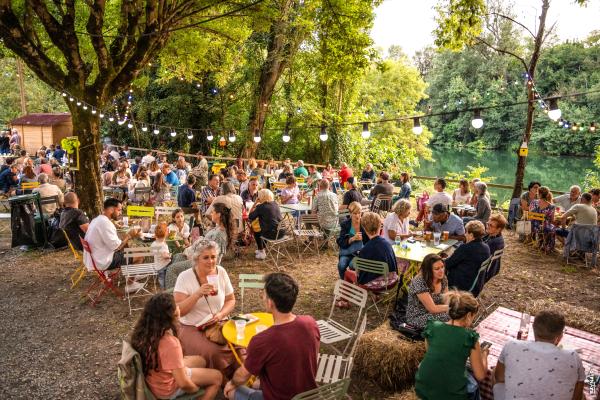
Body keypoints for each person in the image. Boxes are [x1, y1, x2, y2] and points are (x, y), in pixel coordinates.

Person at [224, 273, 320, 400]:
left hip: (280, 397)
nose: (262, 297)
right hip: (308, 395)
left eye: (263, 294)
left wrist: (231, 383)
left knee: (231, 391)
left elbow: (242, 376)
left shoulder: (262, 340)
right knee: (256, 383)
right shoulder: (310, 323)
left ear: (270, 303)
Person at [131, 293, 222, 400]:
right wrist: (195, 389)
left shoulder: (144, 332)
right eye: (176, 306)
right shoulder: (170, 343)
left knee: (201, 360)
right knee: (217, 377)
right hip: (166, 390)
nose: (178, 307)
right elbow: (183, 383)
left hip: (154, 378)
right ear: (171, 315)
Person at [173, 240, 236, 373]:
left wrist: (221, 314)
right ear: (196, 259)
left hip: (218, 322)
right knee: (214, 351)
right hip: (192, 327)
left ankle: (239, 376)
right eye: (206, 257)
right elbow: (178, 311)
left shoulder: (221, 272)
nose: (211, 261)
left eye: (213, 257)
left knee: (238, 343)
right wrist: (197, 294)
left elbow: (231, 300)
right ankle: (221, 379)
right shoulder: (184, 277)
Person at [493, 310, 585, 400]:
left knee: (494, 375)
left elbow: (499, 377)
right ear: (560, 337)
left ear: (533, 329)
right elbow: (577, 396)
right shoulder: (573, 356)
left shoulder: (511, 345)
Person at [415, 291, 489, 400]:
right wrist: (484, 356)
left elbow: (431, 352)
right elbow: (481, 375)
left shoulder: (432, 327)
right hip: (451, 395)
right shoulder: (470, 337)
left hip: (422, 388)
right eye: (473, 317)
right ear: (469, 315)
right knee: (474, 386)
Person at [83, 198, 142, 292]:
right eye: (119, 210)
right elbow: (117, 247)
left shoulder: (97, 219)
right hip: (103, 261)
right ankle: (130, 285)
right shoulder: (105, 223)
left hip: (94, 257)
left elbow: (116, 243)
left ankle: (132, 273)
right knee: (140, 255)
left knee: (129, 249)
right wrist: (129, 235)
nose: (120, 213)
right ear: (111, 209)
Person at [346, 212, 398, 287]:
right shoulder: (388, 244)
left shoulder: (365, 250)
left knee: (347, 273)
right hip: (391, 282)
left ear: (364, 228)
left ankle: (345, 298)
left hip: (373, 285)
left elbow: (360, 275)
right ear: (380, 226)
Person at [445, 220, 490, 296]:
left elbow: (447, 264)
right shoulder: (486, 247)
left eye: (466, 232)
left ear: (471, 235)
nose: (465, 234)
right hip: (476, 284)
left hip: (461, 285)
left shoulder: (465, 248)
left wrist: (443, 259)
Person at [406, 254, 450, 329]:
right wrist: (451, 308)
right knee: (451, 316)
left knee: (456, 314)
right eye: (437, 269)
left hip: (438, 310)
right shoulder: (419, 282)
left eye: (442, 267)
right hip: (418, 316)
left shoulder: (443, 278)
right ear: (428, 270)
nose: (441, 271)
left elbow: (447, 299)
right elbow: (432, 309)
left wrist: (453, 308)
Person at [336, 202, 369, 281]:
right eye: (355, 213)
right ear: (350, 213)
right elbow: (340, 241)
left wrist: (363, 239)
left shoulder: (365, 224)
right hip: (347, 252)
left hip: (359, 253)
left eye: (359, 213)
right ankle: (344, 282)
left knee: (352, 265)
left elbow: (369, 241)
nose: (357, 216)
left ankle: (355, 282)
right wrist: (351, 239)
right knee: (341, 265)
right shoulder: (345, 224)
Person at [249, 189, 284, 260]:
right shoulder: (275, 204)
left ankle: (261, 251)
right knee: (265, 227)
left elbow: (250, 216)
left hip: (272, 235)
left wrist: (255, 203)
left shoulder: (261, 207)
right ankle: (263, 249)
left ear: (261, 197)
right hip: (282, 233)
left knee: (257, 230)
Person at [529, 186, 556, 253]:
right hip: (544, 227)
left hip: (533, 226)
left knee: (547, 227)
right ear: (547, 194)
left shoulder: (533, 202)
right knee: (553, 228)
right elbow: (552, 220)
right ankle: (546, 246)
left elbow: (529, 216)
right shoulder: (551, 206)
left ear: (539, 194)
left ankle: (539, 243)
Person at [483, 213, 507, 282]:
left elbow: (479, 256)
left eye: (491, 225)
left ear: (498, 229)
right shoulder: (494, 236)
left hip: (484, 272)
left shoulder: (494, 242)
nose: (487, 226)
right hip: (492, 269)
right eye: (488, 224)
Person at [151, 222, 172, 289]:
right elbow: (165, 256)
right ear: (166, 234)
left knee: (161, 278)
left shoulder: (154, 243)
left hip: (157, 265)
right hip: (164, 266)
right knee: (164, 278)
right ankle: (165, 289)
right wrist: (170, 255)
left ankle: (162, 289)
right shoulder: (163, 245)